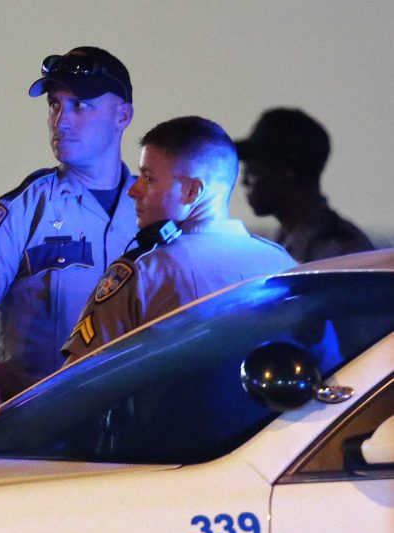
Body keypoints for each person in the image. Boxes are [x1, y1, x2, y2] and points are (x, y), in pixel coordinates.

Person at [0, 46, 139, 397]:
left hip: (136, 437)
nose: (61, 121)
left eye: (80, 105)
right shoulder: (19, 213)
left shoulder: (155, 212)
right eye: (55, 104)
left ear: (122, 116)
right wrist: (31, 393)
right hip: (40, 439)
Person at [62, 116, 297, 361]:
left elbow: (76, 383)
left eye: (148, 178)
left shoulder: (144, 271)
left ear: (192, 191)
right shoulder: (284, 265)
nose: (133, 190)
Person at [236, 107, 374, 262]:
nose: (244, 182)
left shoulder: (344, 252)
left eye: (252, 172)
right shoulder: (281, 240)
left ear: (286, 174)